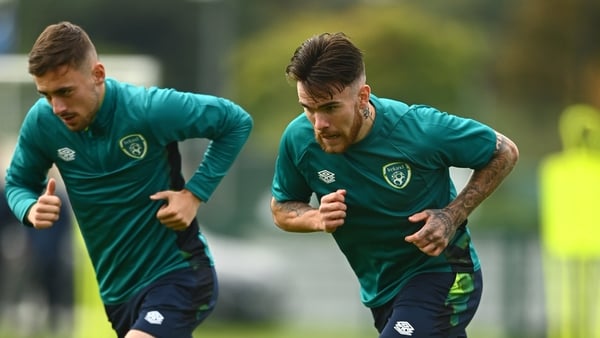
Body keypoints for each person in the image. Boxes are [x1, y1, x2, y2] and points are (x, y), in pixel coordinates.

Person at [4, 21, 253, 338]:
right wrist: (29, 208)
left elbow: (235, 122)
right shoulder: (42, 122)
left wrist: (194, 194)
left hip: (177, 273)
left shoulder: (148, 109)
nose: (58, 107)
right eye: (47, 94)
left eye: (65, 91)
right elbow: (18, 183)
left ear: (97, 75)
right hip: (117, 293)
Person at [270, 32, 519, 338]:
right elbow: (281, 207)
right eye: (308, 108)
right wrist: (316, 217)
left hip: (443, 275)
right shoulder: (298, 139)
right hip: (383, 293)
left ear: (362, 97)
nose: (319, 123)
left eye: (331, 108)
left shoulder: (419, 129)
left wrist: (451, 216)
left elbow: (504, 151)